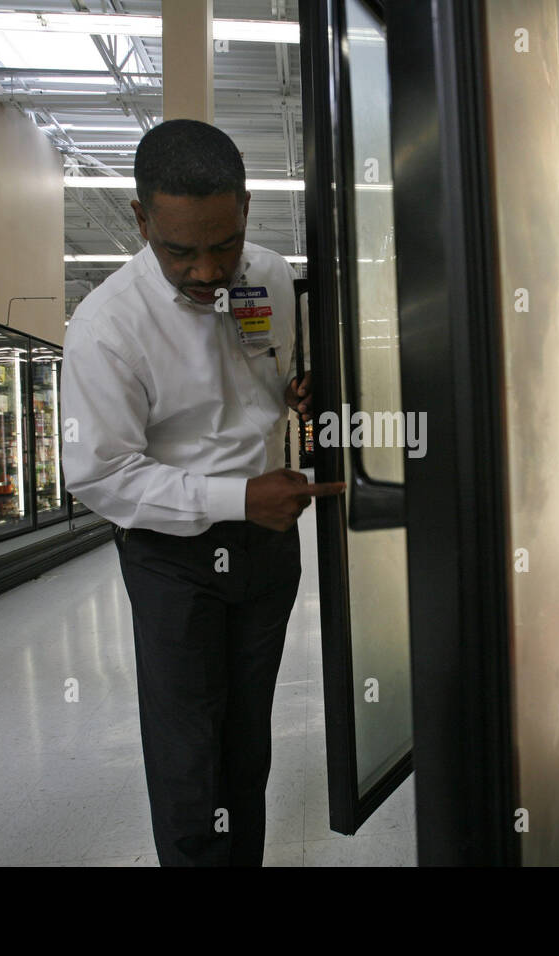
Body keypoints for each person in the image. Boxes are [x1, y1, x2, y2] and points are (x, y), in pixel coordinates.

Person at [61, 119, 344, 866]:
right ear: (141, 219)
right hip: (171, 559)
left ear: (246, 209)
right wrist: (236, 499)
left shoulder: (270, 276)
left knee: (247, 742)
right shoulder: (106, 328)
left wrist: (293, 389)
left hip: (266, 543)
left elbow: (259, 367)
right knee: (190, 757)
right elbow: (100, 473)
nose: (207, 270)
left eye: (222, 244)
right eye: (180, 251)